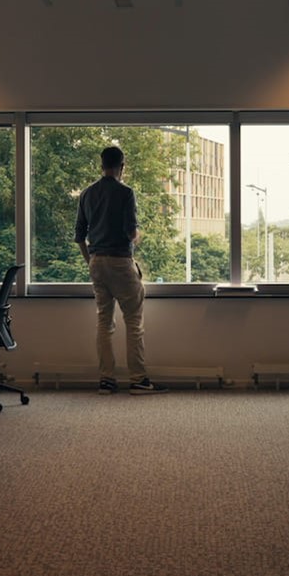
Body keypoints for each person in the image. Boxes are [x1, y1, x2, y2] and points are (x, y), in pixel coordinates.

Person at [75, 146, 167, 395]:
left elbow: (79, 236)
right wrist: (138, 237)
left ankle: (106, 379)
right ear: (122, 166)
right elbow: (130, 232)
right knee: (134, 322)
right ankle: (138, 379)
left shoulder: (87, 194)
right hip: (120, 262)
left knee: (104, 323)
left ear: (102, 165)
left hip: (97, 262)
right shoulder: (126, 193)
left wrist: (90, 261)